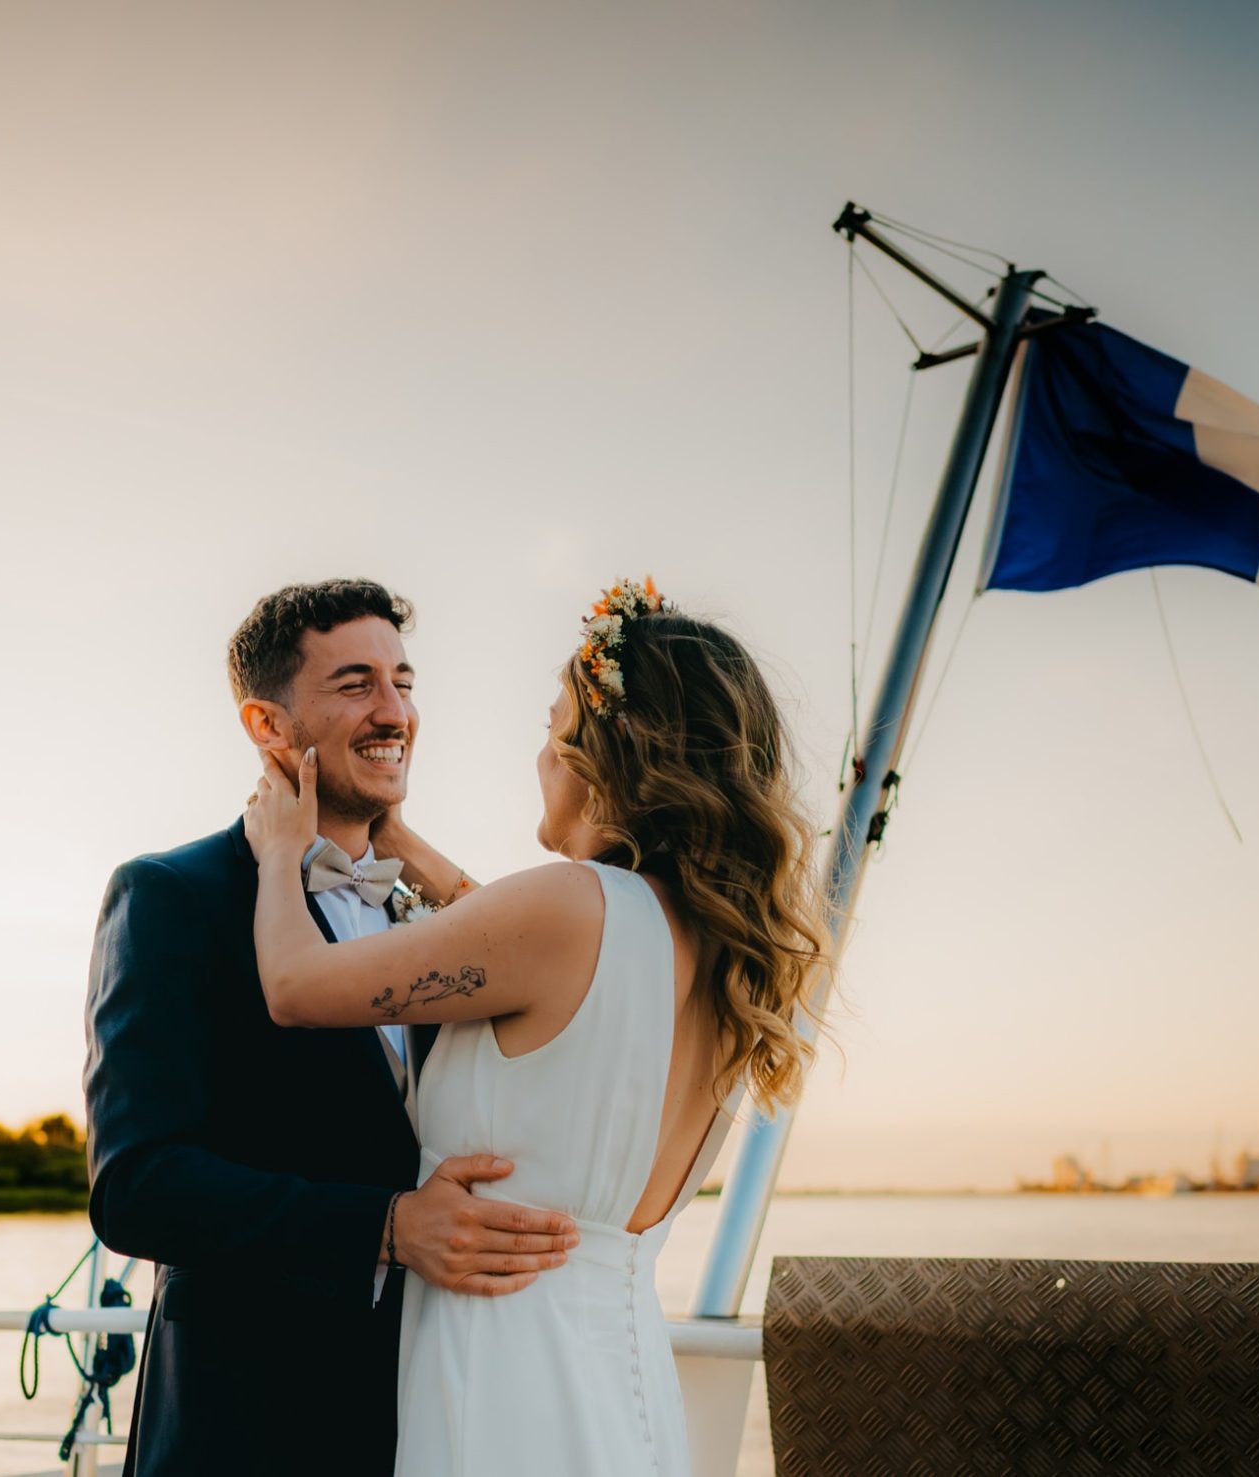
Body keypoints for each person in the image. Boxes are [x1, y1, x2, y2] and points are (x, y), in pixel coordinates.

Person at [243, 578, 830, 1475]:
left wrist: (281, 852)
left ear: (603, 754)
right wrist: (405, 845)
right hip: (622, 1377)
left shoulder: (566, 909)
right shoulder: (716, 949)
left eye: (553, 730)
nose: (540, 758)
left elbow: (293, 985)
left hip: (507, 1372)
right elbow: (518, 946)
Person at [83, 578, 579, 1476]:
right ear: (267, 725)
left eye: (404, 682)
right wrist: (388, 1226)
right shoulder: (172, 896)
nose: (395, 712)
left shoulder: (437, 916)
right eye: (356, 684)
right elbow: (137, 1187)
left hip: (427, 1419)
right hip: (243, 1430)